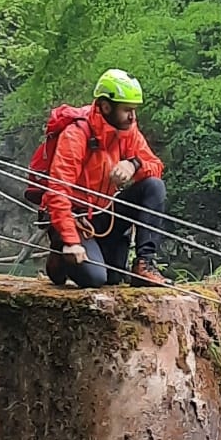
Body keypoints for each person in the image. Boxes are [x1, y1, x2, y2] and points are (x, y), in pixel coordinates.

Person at [41, 69, 168, 288]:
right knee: (95, 279)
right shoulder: (76, 134)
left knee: (153, 187)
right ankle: (60, 252)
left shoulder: (128, 131)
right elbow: (58, 190)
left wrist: (134, 164)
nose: (132, 116)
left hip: (105, 213)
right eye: (127, 110)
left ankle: (144, 264)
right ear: (106, 106)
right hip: (76, 217)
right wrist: (71, 240)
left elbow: (156, 167)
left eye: (134, 110)